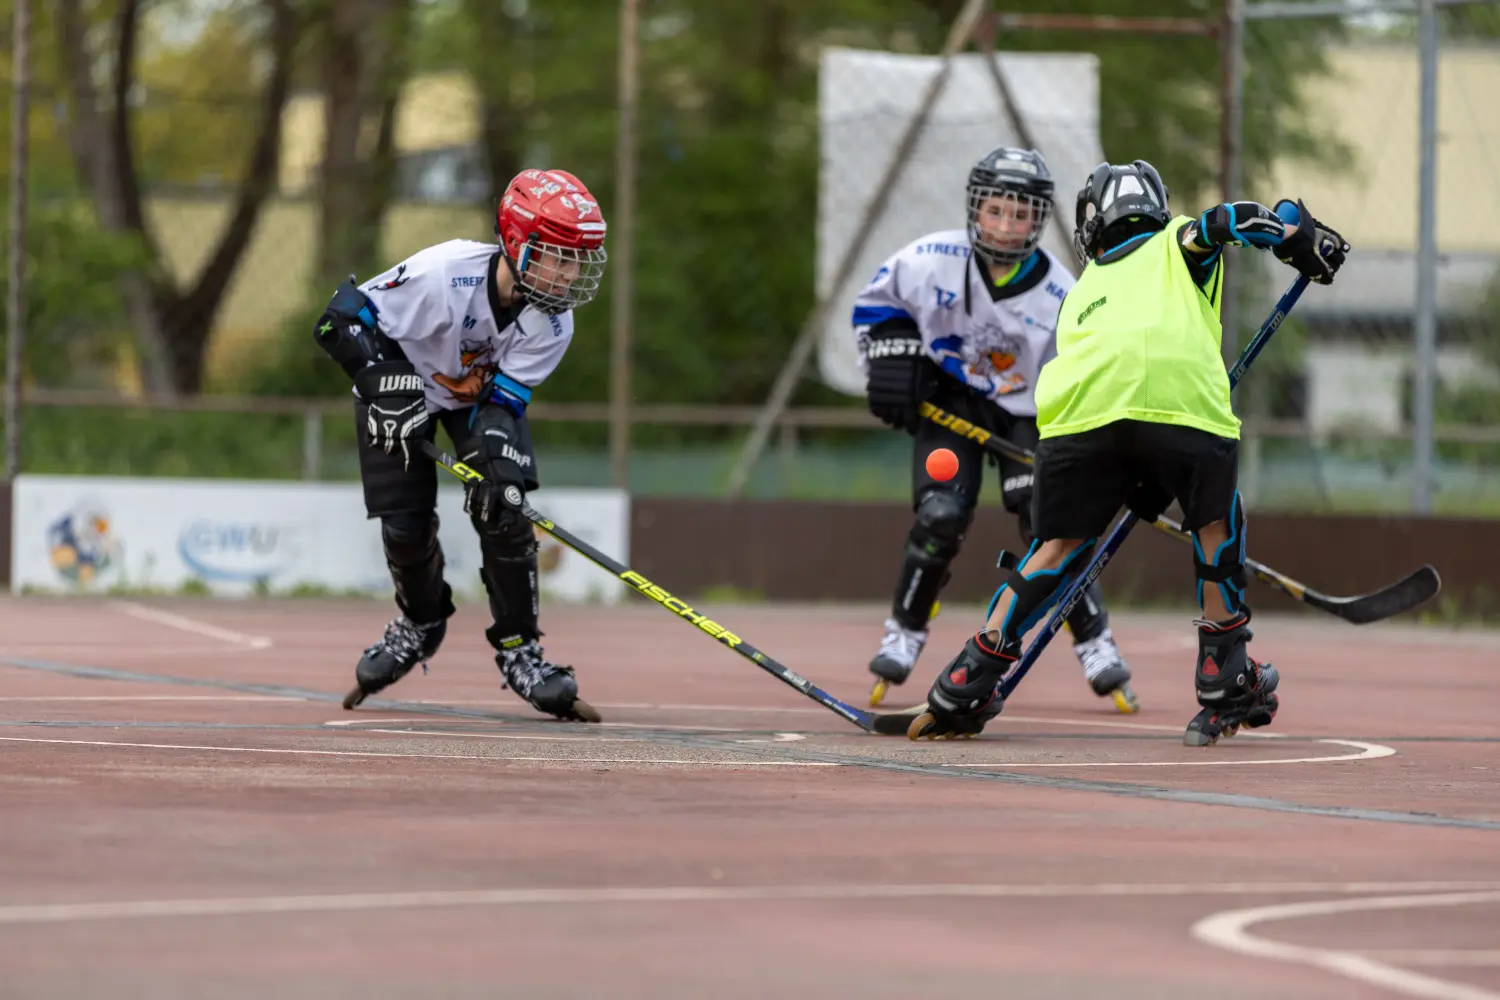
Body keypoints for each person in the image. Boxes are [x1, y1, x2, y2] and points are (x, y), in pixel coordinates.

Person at [906, 159, 1349, 744]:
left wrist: (1134, 467)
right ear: (1159, 208)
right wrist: (1294, 234)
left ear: (1092, 228)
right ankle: (1224, 672)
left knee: (1056, 547)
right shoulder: (1176, 240)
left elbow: (1115, 387)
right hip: (1181, 413)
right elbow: (1228, 221)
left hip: (1077, 425)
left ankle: (968, 675)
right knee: (1216, 521)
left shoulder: (1082, 290)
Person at [315, 167, 609, 722]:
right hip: (398, 387)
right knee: (405, 527)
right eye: (561, 257)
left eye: (578, 261)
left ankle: (522, 650)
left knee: (507, 509)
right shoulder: (446, 272)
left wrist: (497, 459)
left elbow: (504, 402)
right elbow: (340, 321)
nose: (571, 275)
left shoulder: (554, 324)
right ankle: (421, 621)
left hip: (475, 399)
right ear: (520, 244)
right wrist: (383, 383)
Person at [853, 145, 1136, 713]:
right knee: (941, 514)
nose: (1006, 226)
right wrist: (891, 359)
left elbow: (1079, 376)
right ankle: (905, 630)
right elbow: (878, 308)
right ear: (974, 208)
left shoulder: (1062, 294)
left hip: (1028, 413)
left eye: (1021, 213)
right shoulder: (928, 259)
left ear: (1039, 219)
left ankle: (1094, 638)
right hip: (951, 402)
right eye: (995, 210)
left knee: (1047, 521)